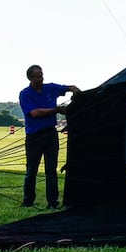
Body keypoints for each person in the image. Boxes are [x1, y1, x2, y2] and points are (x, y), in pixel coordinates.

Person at [17, 65, 80, 209]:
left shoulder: (50, 88)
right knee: (31, 170)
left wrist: (74, 90)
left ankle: (53, 202)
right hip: (34, 137)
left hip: (50, 134)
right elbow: (35, 113)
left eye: (42, 75)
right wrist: (57, 110)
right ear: (31, 78)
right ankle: (28, 201)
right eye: (38, 76)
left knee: (51, 169)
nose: (41, 78)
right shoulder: (25, 94)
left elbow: (68, 87)